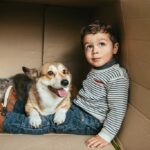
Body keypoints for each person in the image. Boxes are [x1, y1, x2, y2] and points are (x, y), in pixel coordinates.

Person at [0, 20, 129, 148]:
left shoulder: (117, 76)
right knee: (43, 107)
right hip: (76, 109)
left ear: (115, 48)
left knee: (48, 123)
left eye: (101, 44)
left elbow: (117, 110)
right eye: (89, 46)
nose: (95, 50)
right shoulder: (97, 69)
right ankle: (12, 105)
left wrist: (105, 135)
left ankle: (5, 121)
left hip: (90, 120)